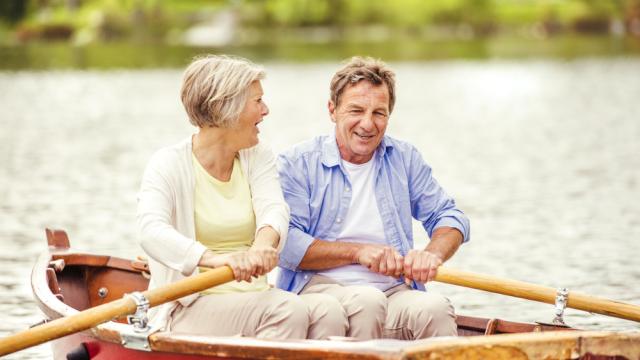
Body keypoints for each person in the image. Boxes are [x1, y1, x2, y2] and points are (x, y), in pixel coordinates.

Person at [136, 55, 343, 339]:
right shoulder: (168, 164)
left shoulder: (257, 155)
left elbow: (273, 209)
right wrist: (216, 260)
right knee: (286, 309)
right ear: (225, 109)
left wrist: (261, 246)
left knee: (328, 310)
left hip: (256, 296)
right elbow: (151, 231)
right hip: (189, 304)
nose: (266, 110)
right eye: (257, 101)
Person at [277, 56, 470, 340]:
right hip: (318, 289)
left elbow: (450, 218)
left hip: (394, 289)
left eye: (379, 113)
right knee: (367, 302)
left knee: (436, 308)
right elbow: (286, 245)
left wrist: (431, 255)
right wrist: (359, 252)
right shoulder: (297, 162)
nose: (367, 124)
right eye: (356, 110)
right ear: (332, 110)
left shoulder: (404, 158)